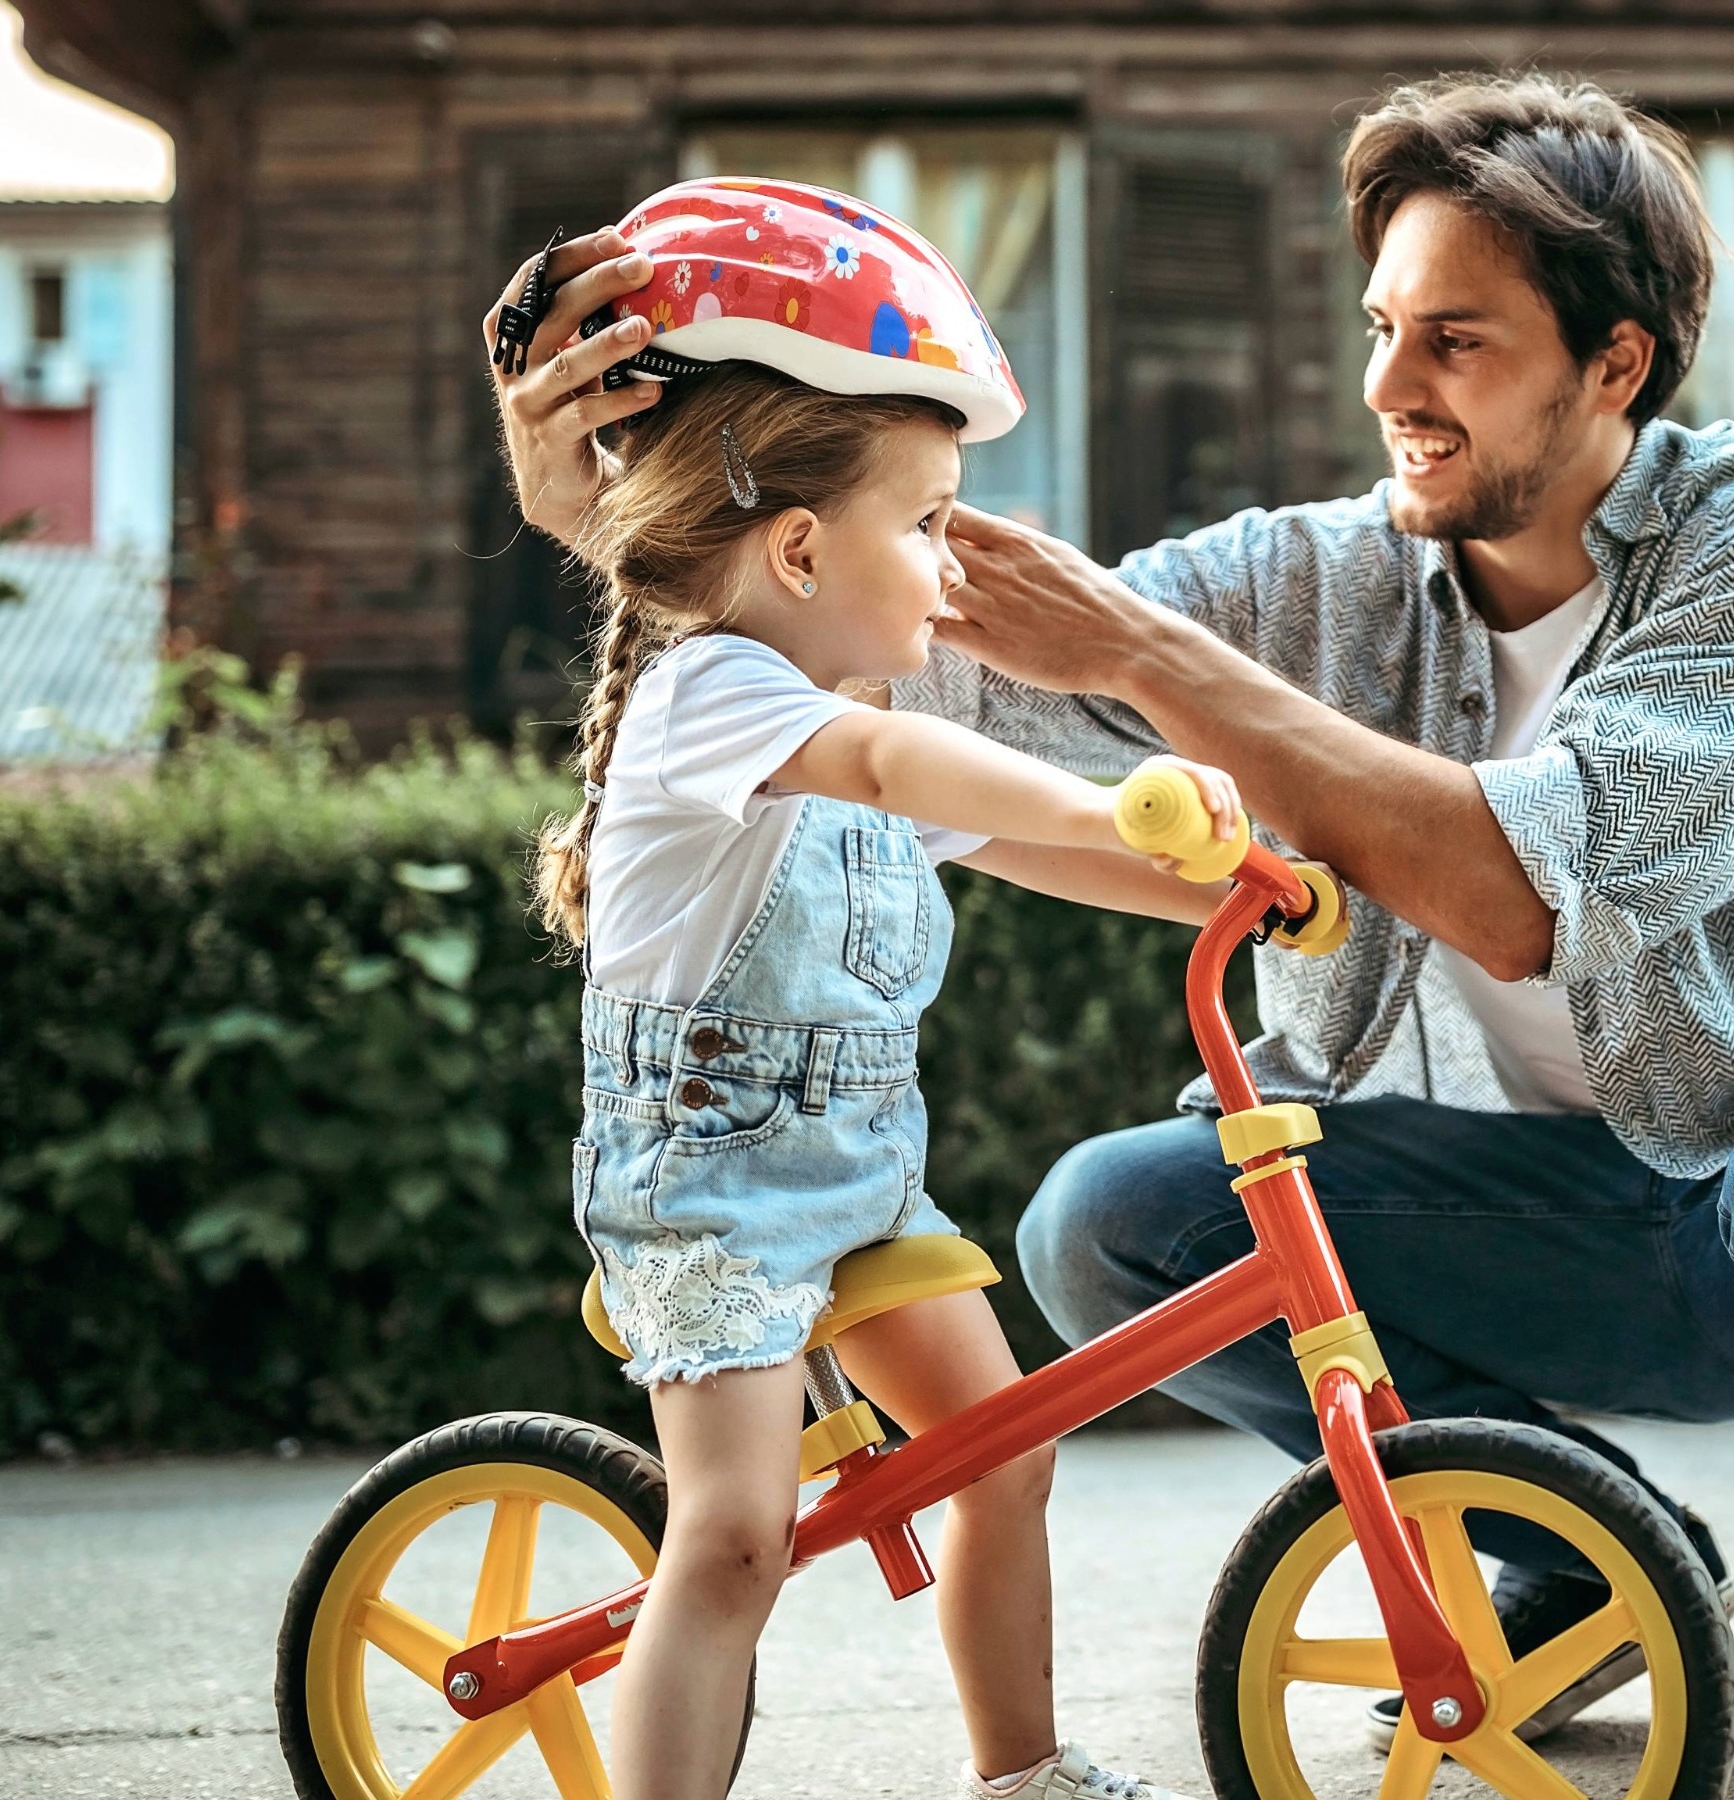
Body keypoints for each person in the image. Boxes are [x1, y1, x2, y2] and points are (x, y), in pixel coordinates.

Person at [494, 77, 1734, 1800]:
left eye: (1457, 342)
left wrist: (1152, 664)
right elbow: (862, 645)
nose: (1391, 387)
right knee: (1113, 1224)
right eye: (1386, 328)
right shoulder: (1309, 578)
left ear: (1613, 364)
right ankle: (1570, 1547)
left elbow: (1523, 889)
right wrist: (631, 528)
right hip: (1513, 1204)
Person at [516, 180, 1237, 1800]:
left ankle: (1023, 1773)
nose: (947, 562)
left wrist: (1229, 882)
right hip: (702, 1204)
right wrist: (1115, 793)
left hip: (858, 1190)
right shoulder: (716, 694)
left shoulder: (829, 696)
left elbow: (1044, 851)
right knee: (733, 1540)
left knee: (1005, 1446)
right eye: (924, 525)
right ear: (795, 545)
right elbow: (903, 761)